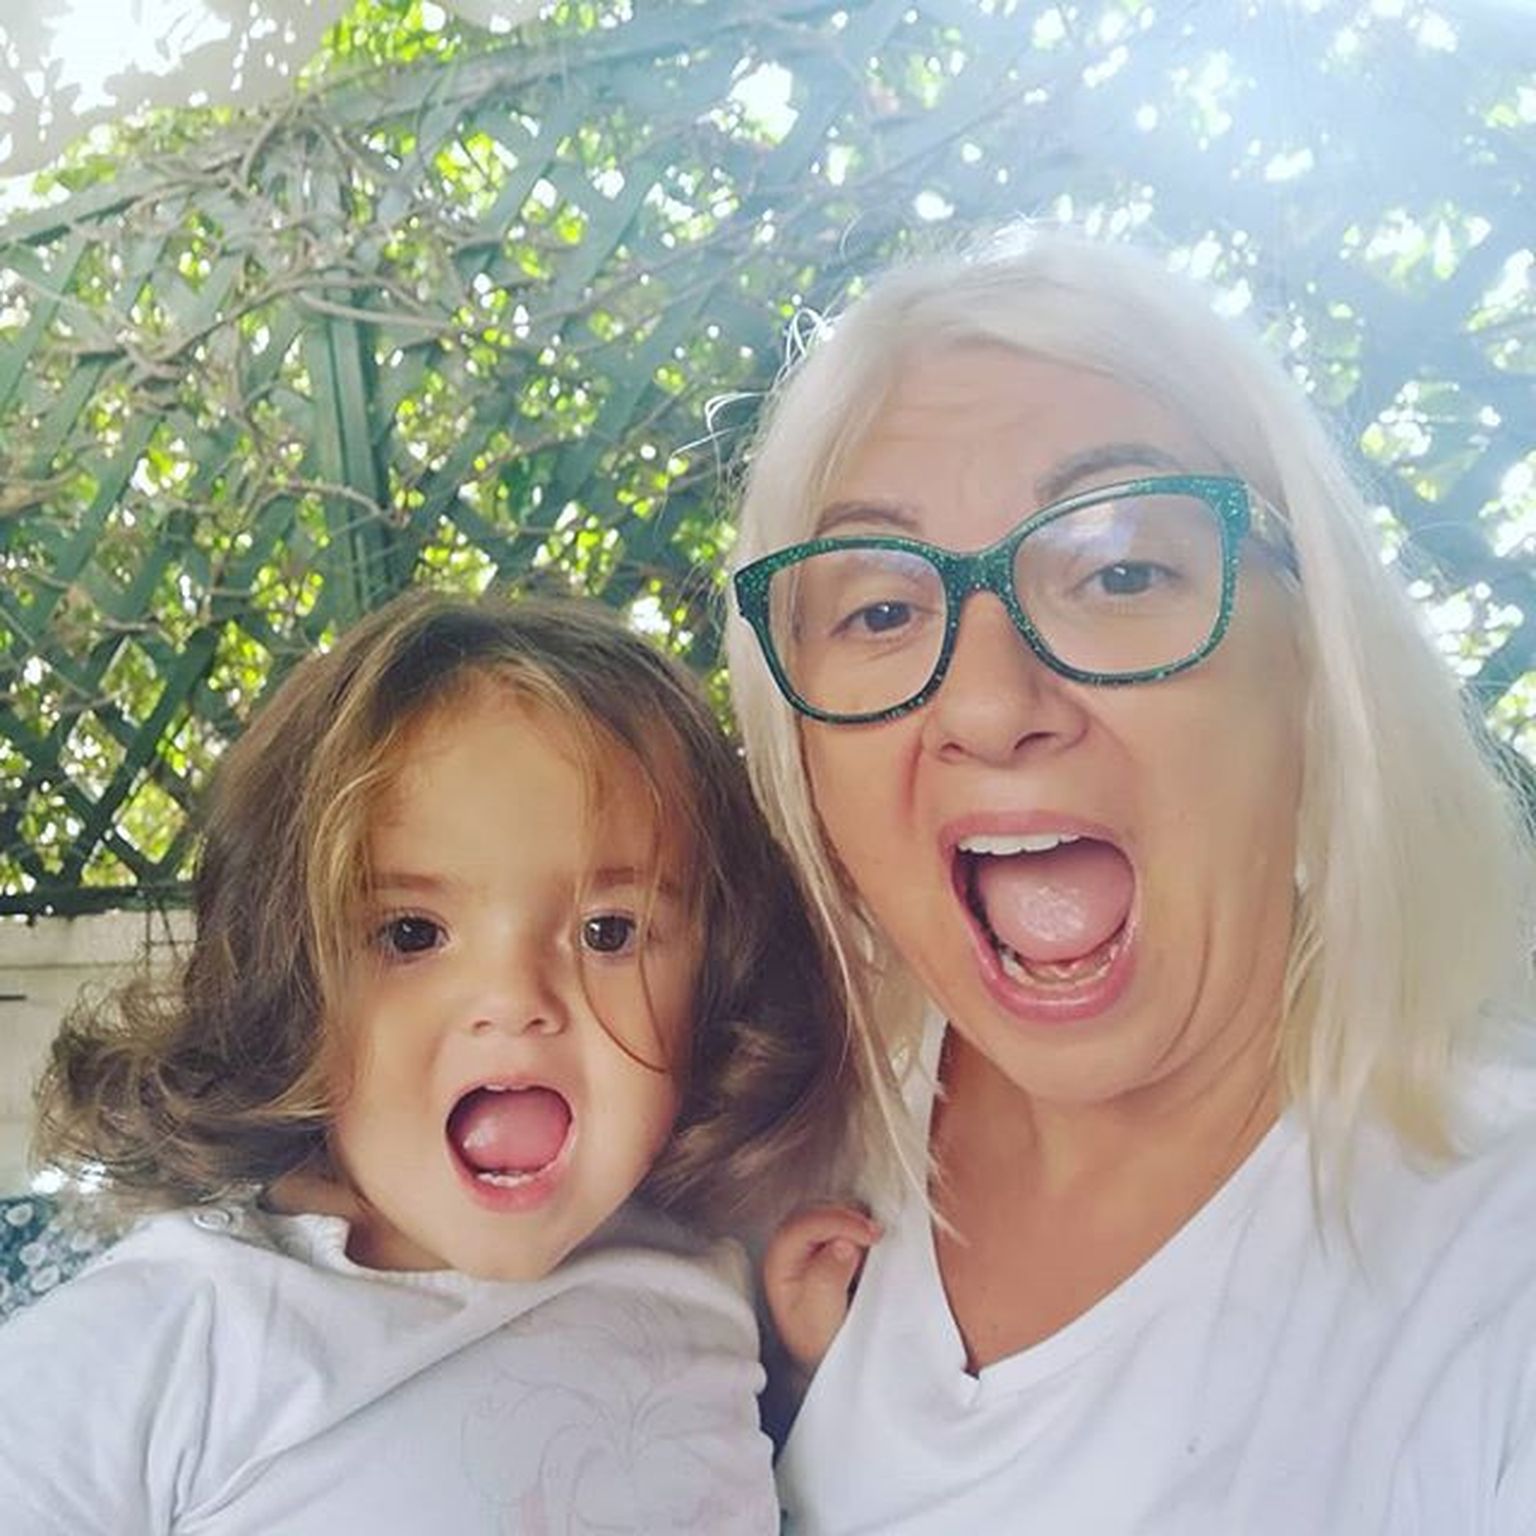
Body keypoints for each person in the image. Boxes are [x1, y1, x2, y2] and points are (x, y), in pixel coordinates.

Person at [728, 228, 1536, 1532]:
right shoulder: (761, 1144)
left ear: (1313, 662)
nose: (990, 704)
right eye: (879, 609)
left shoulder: (1495, 1268)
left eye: (1118, 572)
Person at [0, 590, 848, 1534]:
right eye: (411, 933)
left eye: (608, 931)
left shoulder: (705, 1275)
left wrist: (801, 1377)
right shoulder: (174, 1329)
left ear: (717, 988)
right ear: (288, 986)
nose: (515, 999)